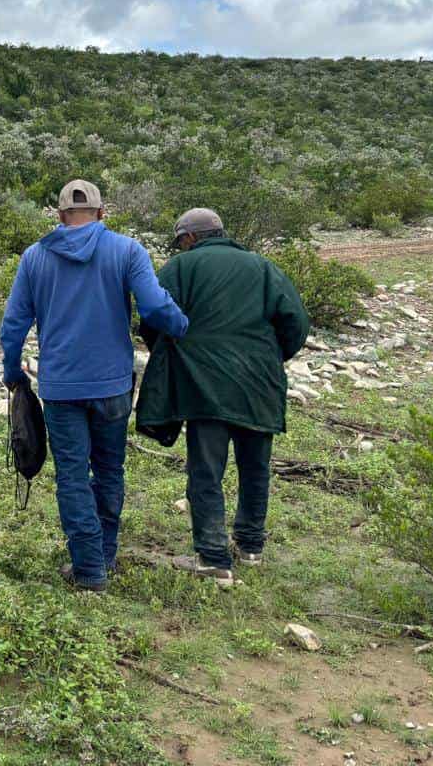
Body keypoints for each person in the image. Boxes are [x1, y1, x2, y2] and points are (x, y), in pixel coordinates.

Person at [1, 180, 189, 592]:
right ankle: (104, 555)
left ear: (59, 214)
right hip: (113, 385)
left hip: (61, 387)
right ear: (103, 213)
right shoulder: (127, 250)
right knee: (109, 470)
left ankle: (88, 568)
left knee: (71, 475)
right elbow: (156, 306)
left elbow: (14, 324)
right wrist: (183, 327)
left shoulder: (35, 257)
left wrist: (12, 371)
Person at [136, 208, 310, 586]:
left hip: (204, 386)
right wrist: (269, 357)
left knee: (206, 470)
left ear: (190, 238)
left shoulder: (180, 269)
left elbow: (151, 317)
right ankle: (250, 547)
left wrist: (174, 351)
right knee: (255, 468)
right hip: (259, 386)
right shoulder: (263, 267)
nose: (180, 247)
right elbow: (296, 322)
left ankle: (213, 557)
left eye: (180, 241)